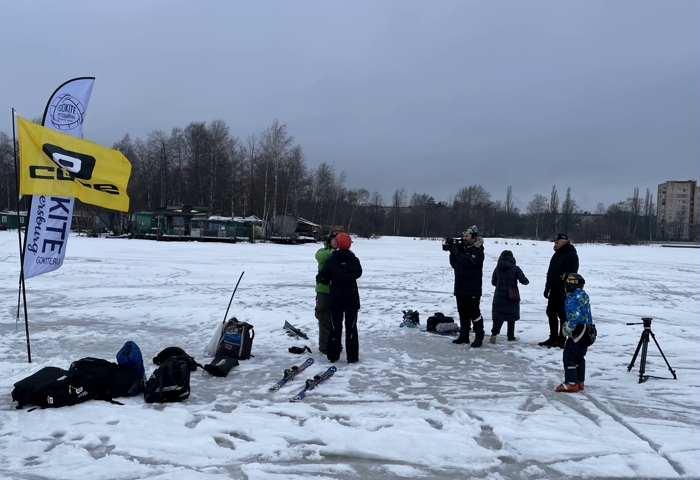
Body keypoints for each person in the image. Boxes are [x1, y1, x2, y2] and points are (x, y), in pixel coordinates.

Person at [316, 232, 363, 363]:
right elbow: (358, 273)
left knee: (335, 327)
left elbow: (322, 277)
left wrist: (331, 280)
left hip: (335, 299)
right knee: (351, 327)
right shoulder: (354, 260)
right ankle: (352, 357)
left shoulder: (331, 261)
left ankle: (333, 355)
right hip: (351, 299)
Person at [539, 233, 579, 348]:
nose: (555, 244)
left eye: (557, 242)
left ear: (564, 241)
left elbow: (572, 275)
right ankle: (553, 337)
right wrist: (547, 287)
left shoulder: (571, 255)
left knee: (562, 315)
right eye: (554, 242)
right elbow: (551, 272)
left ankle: (562, 339)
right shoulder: (557, 254)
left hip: (563, 290)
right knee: (551, 313)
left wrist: (567, 290)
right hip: (553, 288)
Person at [448, 225, 486, 348]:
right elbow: (455, 264)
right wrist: (452, 252)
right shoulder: (462, 249)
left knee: (474, 314)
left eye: (467, 236)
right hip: (460, 287)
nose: (464, 238)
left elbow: (467, 262)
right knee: (463, 313)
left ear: (473, 237)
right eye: (463, 236)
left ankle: (479, 336)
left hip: (472, 288)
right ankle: (464, 336)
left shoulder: (478, 251)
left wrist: (456, 252)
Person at [555, 273, 592, 392]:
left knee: (569, 355)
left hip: (578, 329)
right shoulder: (583, 295)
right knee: (579, 356)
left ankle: (571, 383)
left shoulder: (571, 298)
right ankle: (579, 381)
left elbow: (574, 317)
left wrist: (568, 328)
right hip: (588, 328)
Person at [490, 250, 529, 343]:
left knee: (498, 316)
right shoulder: (515, 268)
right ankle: (510, 336)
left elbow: (493, 282)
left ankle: (494, 334)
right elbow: (524, 281)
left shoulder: (497, 268)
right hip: (512, 296)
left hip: (499, 296)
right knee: (511, 316)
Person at [314, 230, 342, 354]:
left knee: (336, 319)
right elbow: (319, 257)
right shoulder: (322, 252)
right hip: (323, 290)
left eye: (338, 240)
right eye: (334, 239)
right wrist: (330, 253)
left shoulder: (345, 253)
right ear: (329, 241)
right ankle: (324, 346)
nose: (336, 242)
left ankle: (336, 343)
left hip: (337, 291)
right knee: (323, 317)